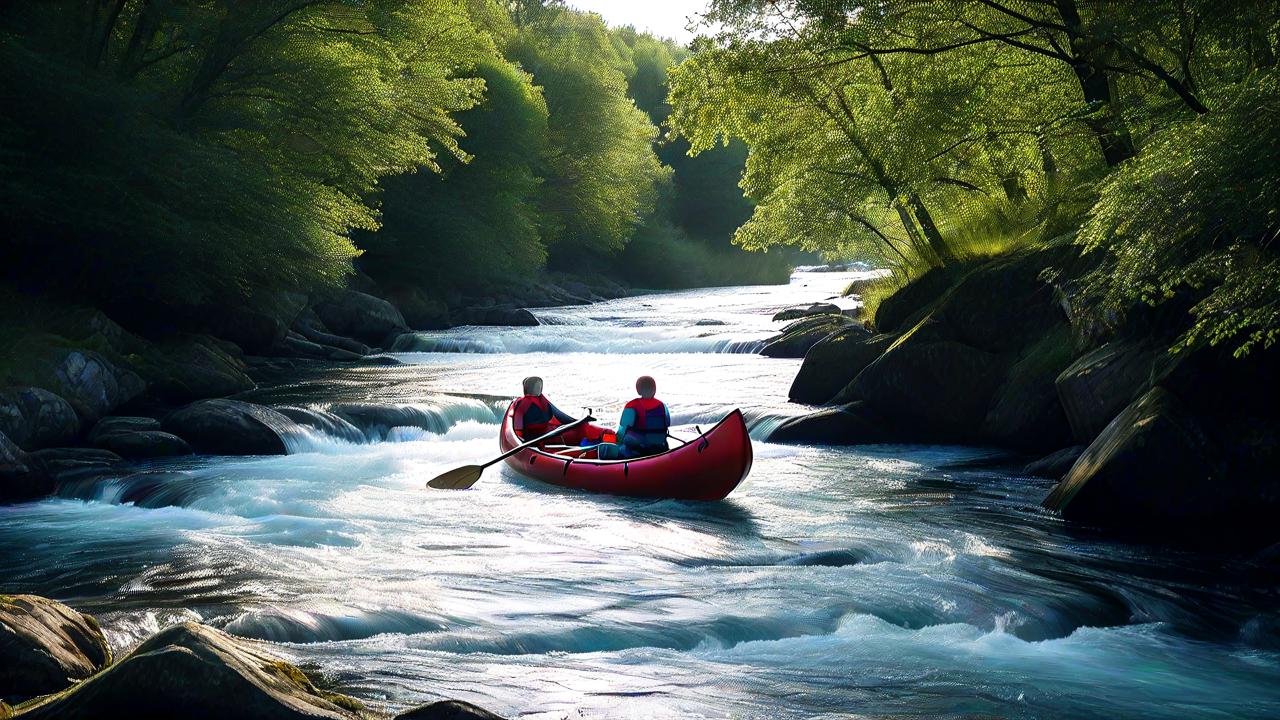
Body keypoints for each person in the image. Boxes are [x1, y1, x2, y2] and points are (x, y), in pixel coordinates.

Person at [599, 375, 670, 459]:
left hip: (634, 452)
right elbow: (667, 424)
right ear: (654, 389)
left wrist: (614, 442)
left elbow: (622, 432)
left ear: (638, 390)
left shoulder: (631, 406)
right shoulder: (662, 406)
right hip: (659, 449)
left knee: (604, 448)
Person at [512, 376, 575, 443]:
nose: (540, 388)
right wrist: (520, 440)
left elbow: (560, 415)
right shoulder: (524, 403)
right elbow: (518, 426)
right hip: (531, 437)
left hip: (544, 433)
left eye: (540, 386)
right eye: (537, 386)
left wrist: (575, 421)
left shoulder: (542, 400)